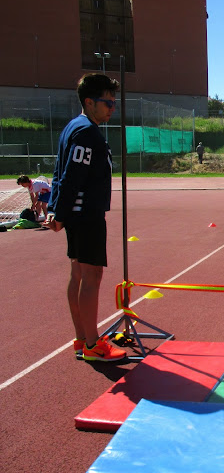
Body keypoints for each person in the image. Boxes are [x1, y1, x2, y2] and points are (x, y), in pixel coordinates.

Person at [44, 73, 126, 362]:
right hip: (86, 214)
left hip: (77, 213)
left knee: (78, 274)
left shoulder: (73, 128)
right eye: (108, 103)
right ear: (89, 102)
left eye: (114, 103)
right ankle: (93, 344)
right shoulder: (86, 132)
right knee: (91, 276)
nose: (112, 108)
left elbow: (59, 173)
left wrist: (55, 209)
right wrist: (59, 212)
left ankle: (82, 339)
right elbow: (70, 176)